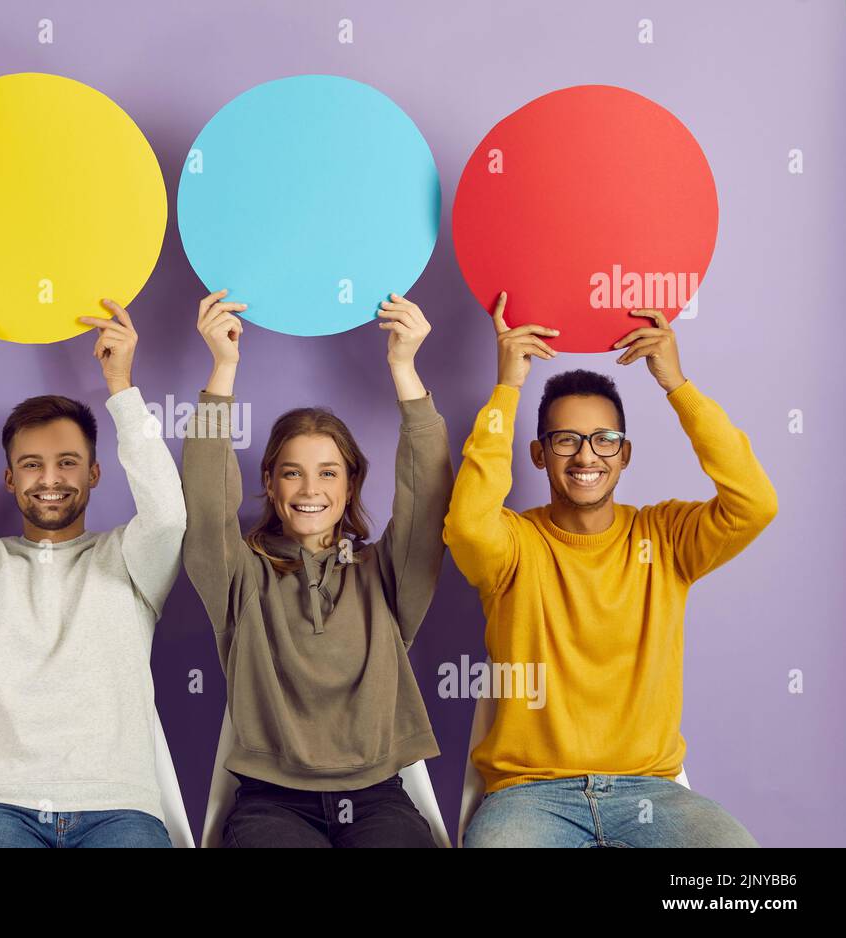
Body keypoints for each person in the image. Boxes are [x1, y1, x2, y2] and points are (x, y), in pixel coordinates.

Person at [445, 293, 777, 848]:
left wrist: (678, 385)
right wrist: (508, 387)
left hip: (650, 791)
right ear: (537, 454)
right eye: (565, 440)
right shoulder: (512, 545)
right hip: (531, 796)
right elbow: (467, 526)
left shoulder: (667, 538)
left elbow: (755, 503)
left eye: (604, 440)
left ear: (625, 454)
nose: (585, 456)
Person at [0, 299, 186, 848]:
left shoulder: (130, 559)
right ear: (10, 478)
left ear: (96, 472)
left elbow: (168, 515)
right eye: (32, 464)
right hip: (1, 811)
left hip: (118, 810)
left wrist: (121, 386)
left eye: (67, 462)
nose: (50, 478)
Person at [182, 289, 453, 848]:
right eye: (292, 473)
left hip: (379, 797)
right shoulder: (240, 575)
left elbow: (427, 499)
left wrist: (405, 368)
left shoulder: (382, 573)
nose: (310, 489)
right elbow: (206, 506)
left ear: (350, 483)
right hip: (270, 804)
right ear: (270, 483)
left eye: (328, 473)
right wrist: (222, 369)